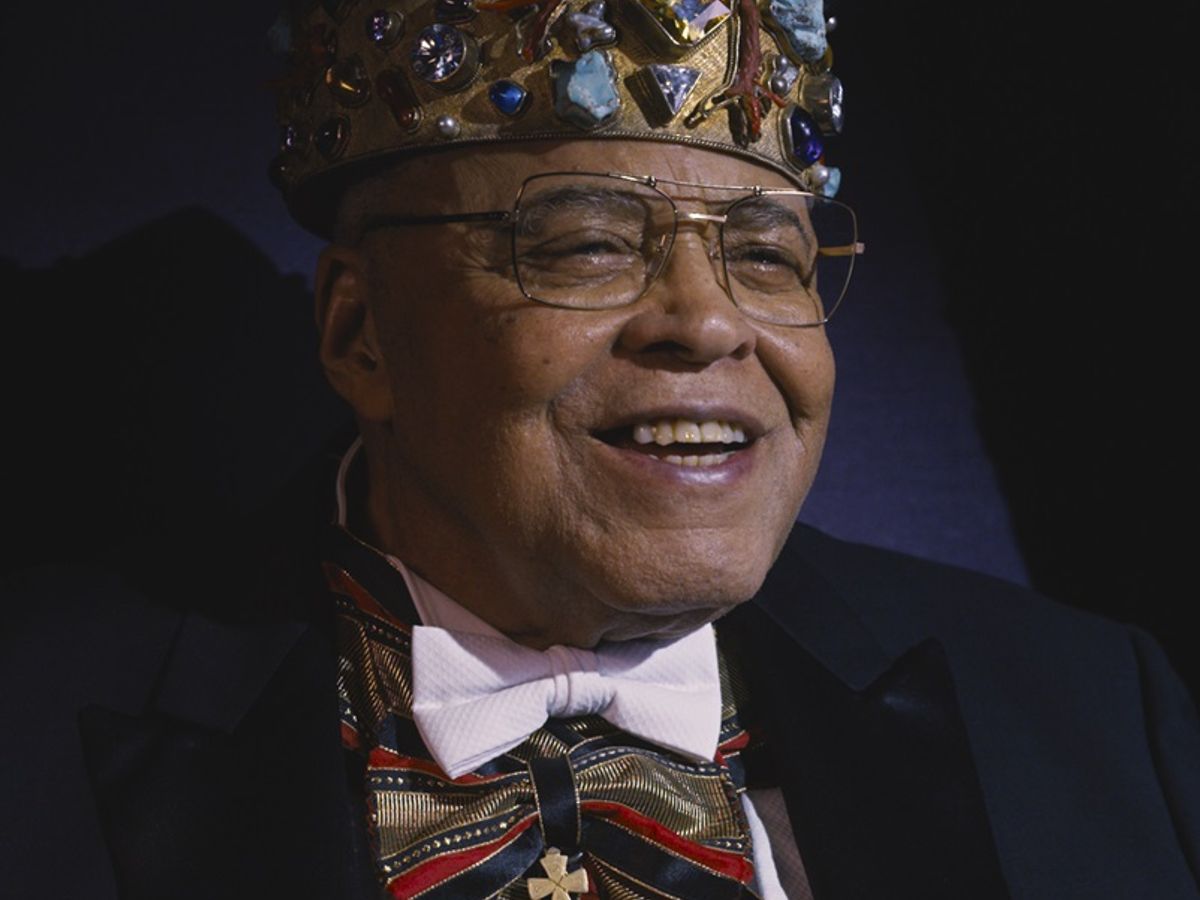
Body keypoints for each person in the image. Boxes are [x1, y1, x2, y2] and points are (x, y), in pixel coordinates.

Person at [4, 0, 1198, 898]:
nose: (709, 322)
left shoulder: (1094, 717)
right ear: (361, 335)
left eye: (767, 256)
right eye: (585, 245)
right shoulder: (30, 730)